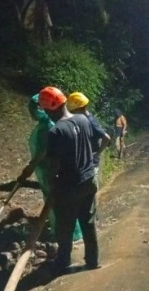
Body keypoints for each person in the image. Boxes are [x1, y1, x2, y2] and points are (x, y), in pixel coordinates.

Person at [30, 86, 105, 275]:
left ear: (52, 108)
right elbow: (96, 144)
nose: (46, 113)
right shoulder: (83, 119)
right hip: (89, 180)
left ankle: (63, 264)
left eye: (46, 110)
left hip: (68, 187)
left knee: (65, 227)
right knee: (88, 223)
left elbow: (54, 166)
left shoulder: (56, 132)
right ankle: (93, 261)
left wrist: (51, 185)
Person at [19, 94, 83, 242]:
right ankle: (60, 231)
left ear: (44, 108)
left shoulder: (49, 127)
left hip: (50, 171)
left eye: (33, 109)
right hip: (45, 171)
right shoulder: (45, 124)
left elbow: (43, 151)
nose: (32, 113)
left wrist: (29, 168)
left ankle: (69, 236)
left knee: (58, 203)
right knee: (53, 202)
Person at [66, 92, 111, 187]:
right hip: (86, 158)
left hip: (91, 159)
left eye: (73, 111)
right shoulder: (85, 119)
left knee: (91, 186)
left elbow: (106, 138)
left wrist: (97, 154)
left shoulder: (90, 121)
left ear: (77, 109)